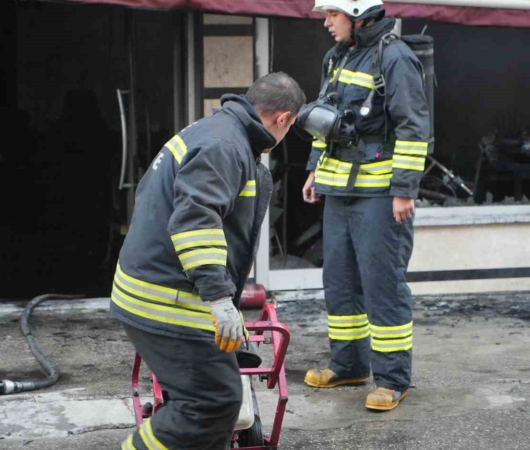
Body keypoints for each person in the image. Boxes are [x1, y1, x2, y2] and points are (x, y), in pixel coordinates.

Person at [111, 72, 305, 450]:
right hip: (165, 300)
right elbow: (196, 221)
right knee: (212, 403)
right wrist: (219, 299)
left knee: (217, 405)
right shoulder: (225, 146)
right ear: (284, 118)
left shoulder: (220, 132)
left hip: (158, 290)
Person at [301, 0, 430, 411]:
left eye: (332, 15)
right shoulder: (336, 57)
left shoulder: (394, 58)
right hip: (339, 193)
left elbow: (413, 126)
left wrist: (405, 190)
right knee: (340, 284)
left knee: (382, 287)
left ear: (358, 16)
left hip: (380, 196)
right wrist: (314, 171)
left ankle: (392, 379)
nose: (325, 22)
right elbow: (324, 120)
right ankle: (349, 366)